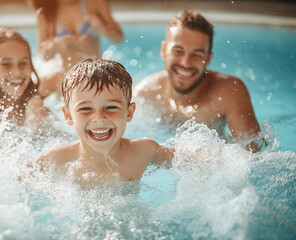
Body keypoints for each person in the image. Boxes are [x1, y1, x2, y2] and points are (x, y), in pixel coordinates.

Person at [36, 59, 184, 185]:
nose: (99, 117)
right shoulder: (55, 160)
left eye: (111, 107)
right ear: (68, 115)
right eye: (86, 108)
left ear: (129, 112)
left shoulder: (144, 152)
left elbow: (191, 158)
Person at [134, 10, 260, 152]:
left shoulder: (229, 93)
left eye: (196, 55)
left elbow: (252, 155)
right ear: (164, 50)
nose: (186, 63)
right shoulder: (146, 92)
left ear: (208, 59)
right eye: (178, 51)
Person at [27, 0, 123, 97]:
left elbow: (119, 38)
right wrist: (57, 44)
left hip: (95, 75)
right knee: (31, 94)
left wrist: (104, 29)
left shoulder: (94, 3)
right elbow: (44, 55)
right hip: (65, 77)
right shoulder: (45, 12)